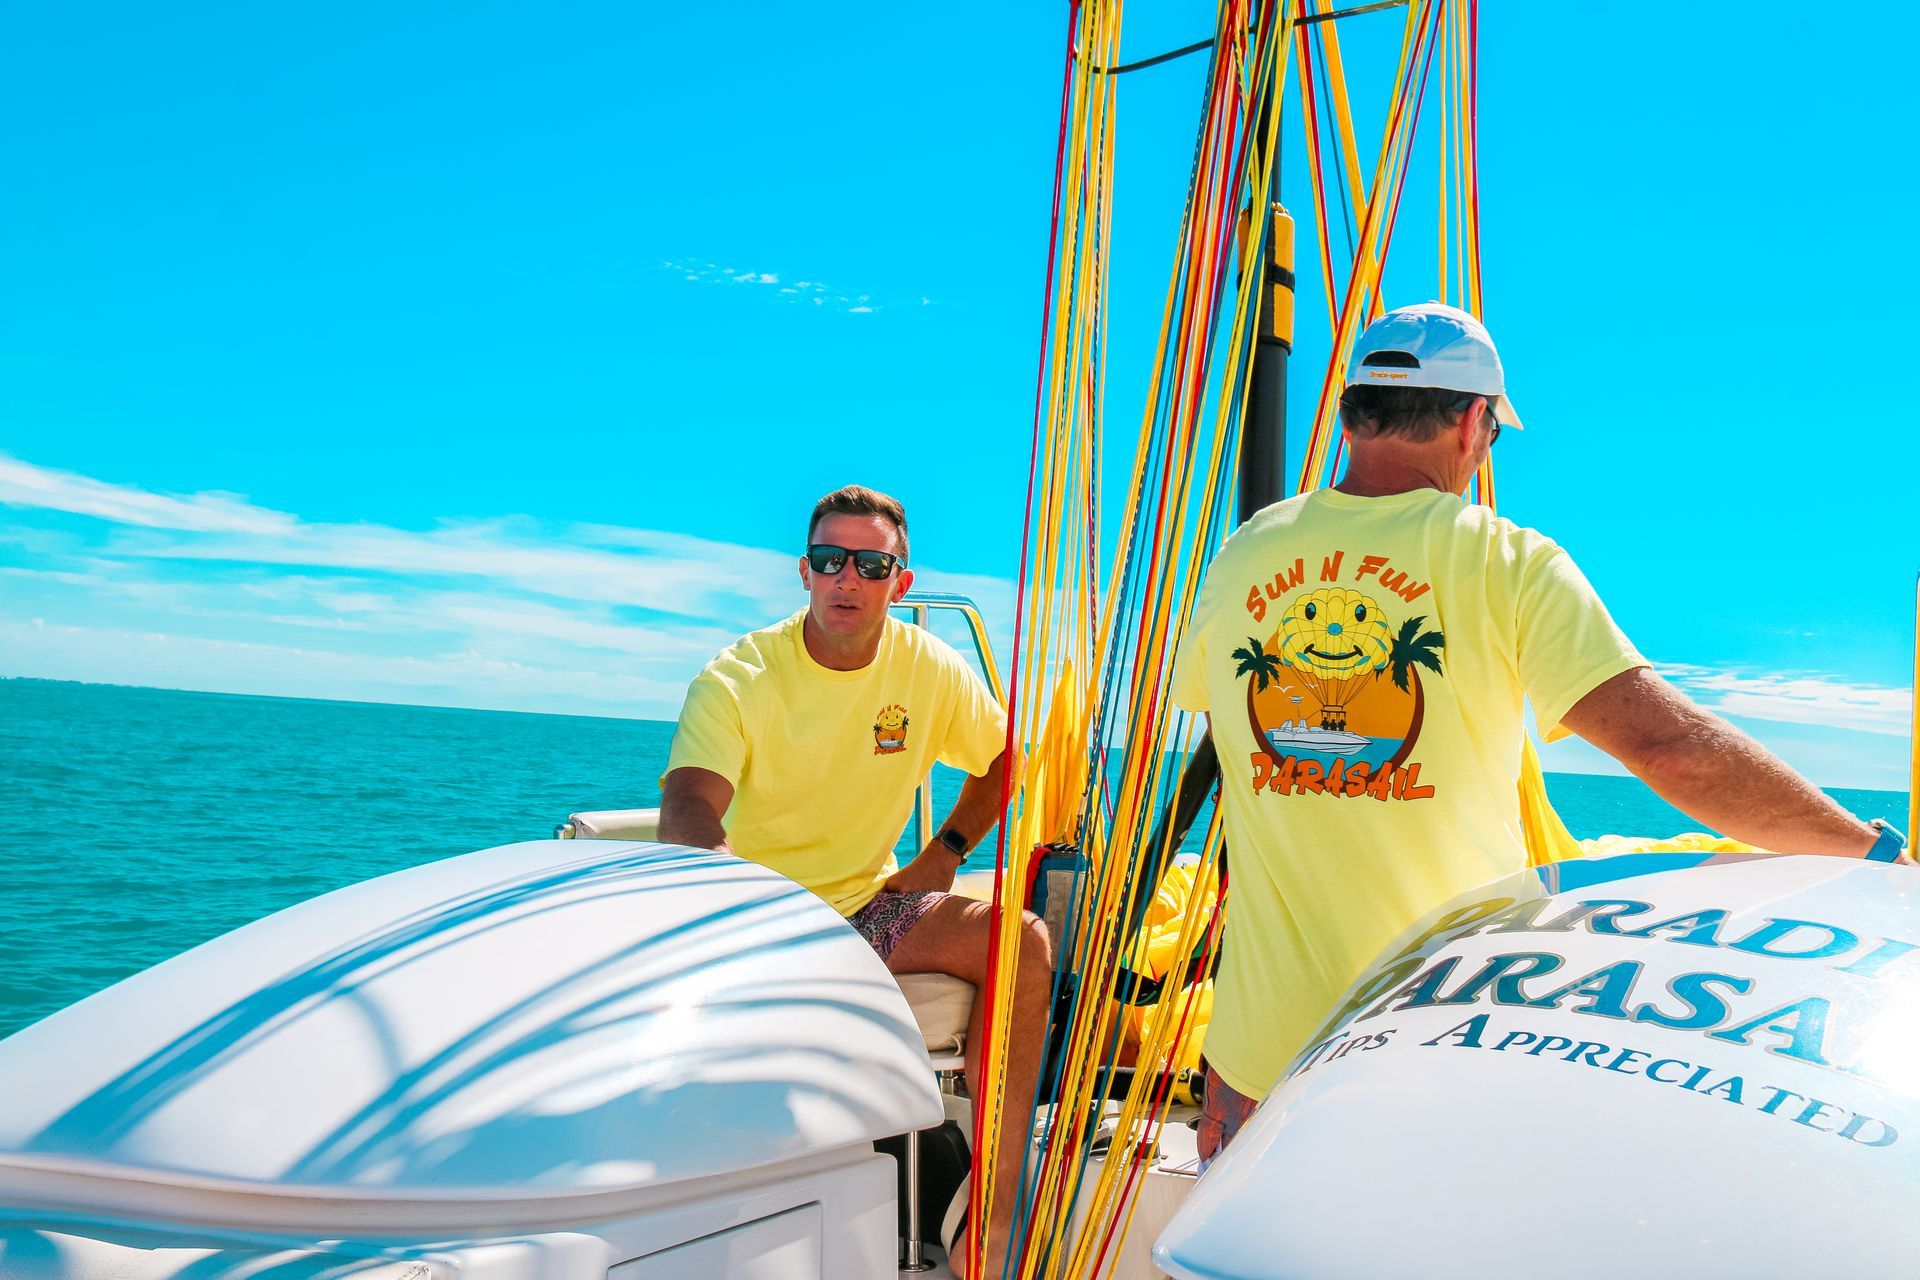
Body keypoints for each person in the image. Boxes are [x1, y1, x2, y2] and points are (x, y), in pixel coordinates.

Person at [1169, 301, 1908, 1162]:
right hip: (1426, 1048)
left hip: (1259, 1051)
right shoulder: (1507, 561)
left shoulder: (1245, 554)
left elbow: (1235, 724)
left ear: (1351, 413)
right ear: (1474, 421)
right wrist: (1873, 852)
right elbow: (1671, 751)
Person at [657, 484, 1049, 1280]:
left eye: (871, 564)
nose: (848, 578)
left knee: (1023, 942)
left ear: (899, 584)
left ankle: (995, 1217)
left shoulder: (929, 668)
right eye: (830, 559)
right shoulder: (740, 676)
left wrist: (945, 852)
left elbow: (1006, 760)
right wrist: (737, 897)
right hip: (759, 919)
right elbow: (690, 803)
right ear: (804, 572)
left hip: (867, 911)